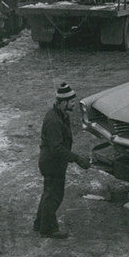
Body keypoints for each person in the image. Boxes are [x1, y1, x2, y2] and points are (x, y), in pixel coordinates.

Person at [33, 82, 90, 238]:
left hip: (54, 161)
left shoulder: (60, 115)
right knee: (54, 195)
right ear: (63, 103)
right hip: (52, 163)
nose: (74, 104)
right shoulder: (53, 120)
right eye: (71, 102)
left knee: (49, 193)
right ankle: (49, 229)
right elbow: (56, 148)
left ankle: (40, 223)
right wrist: (77, 159)